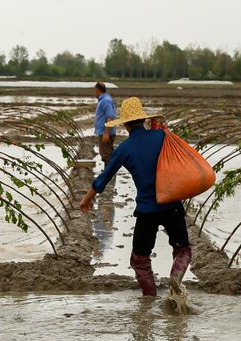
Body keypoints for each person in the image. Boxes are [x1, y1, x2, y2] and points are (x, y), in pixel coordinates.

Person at [80, 97, 192, 297]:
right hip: (172, 205)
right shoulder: (161, 137)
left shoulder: (125, 148)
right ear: (143, 119)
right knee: (182, 250)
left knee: (140, 259)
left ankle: (149, 299)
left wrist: (87, 198)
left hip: (147, 211)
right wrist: (161, 130)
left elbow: (104, 178)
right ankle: (175, 277)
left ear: (124, 124)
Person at [93, 82, 117, 164]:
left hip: (106, 133)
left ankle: (109, 174)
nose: (94, 93)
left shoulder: (105, 101)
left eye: (94, 90)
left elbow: (110, 116)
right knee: (108, 155)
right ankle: (108, 173)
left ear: (97, 90)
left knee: (106, 155)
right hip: (105, 132)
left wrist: (106, 133)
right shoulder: (105, 99)